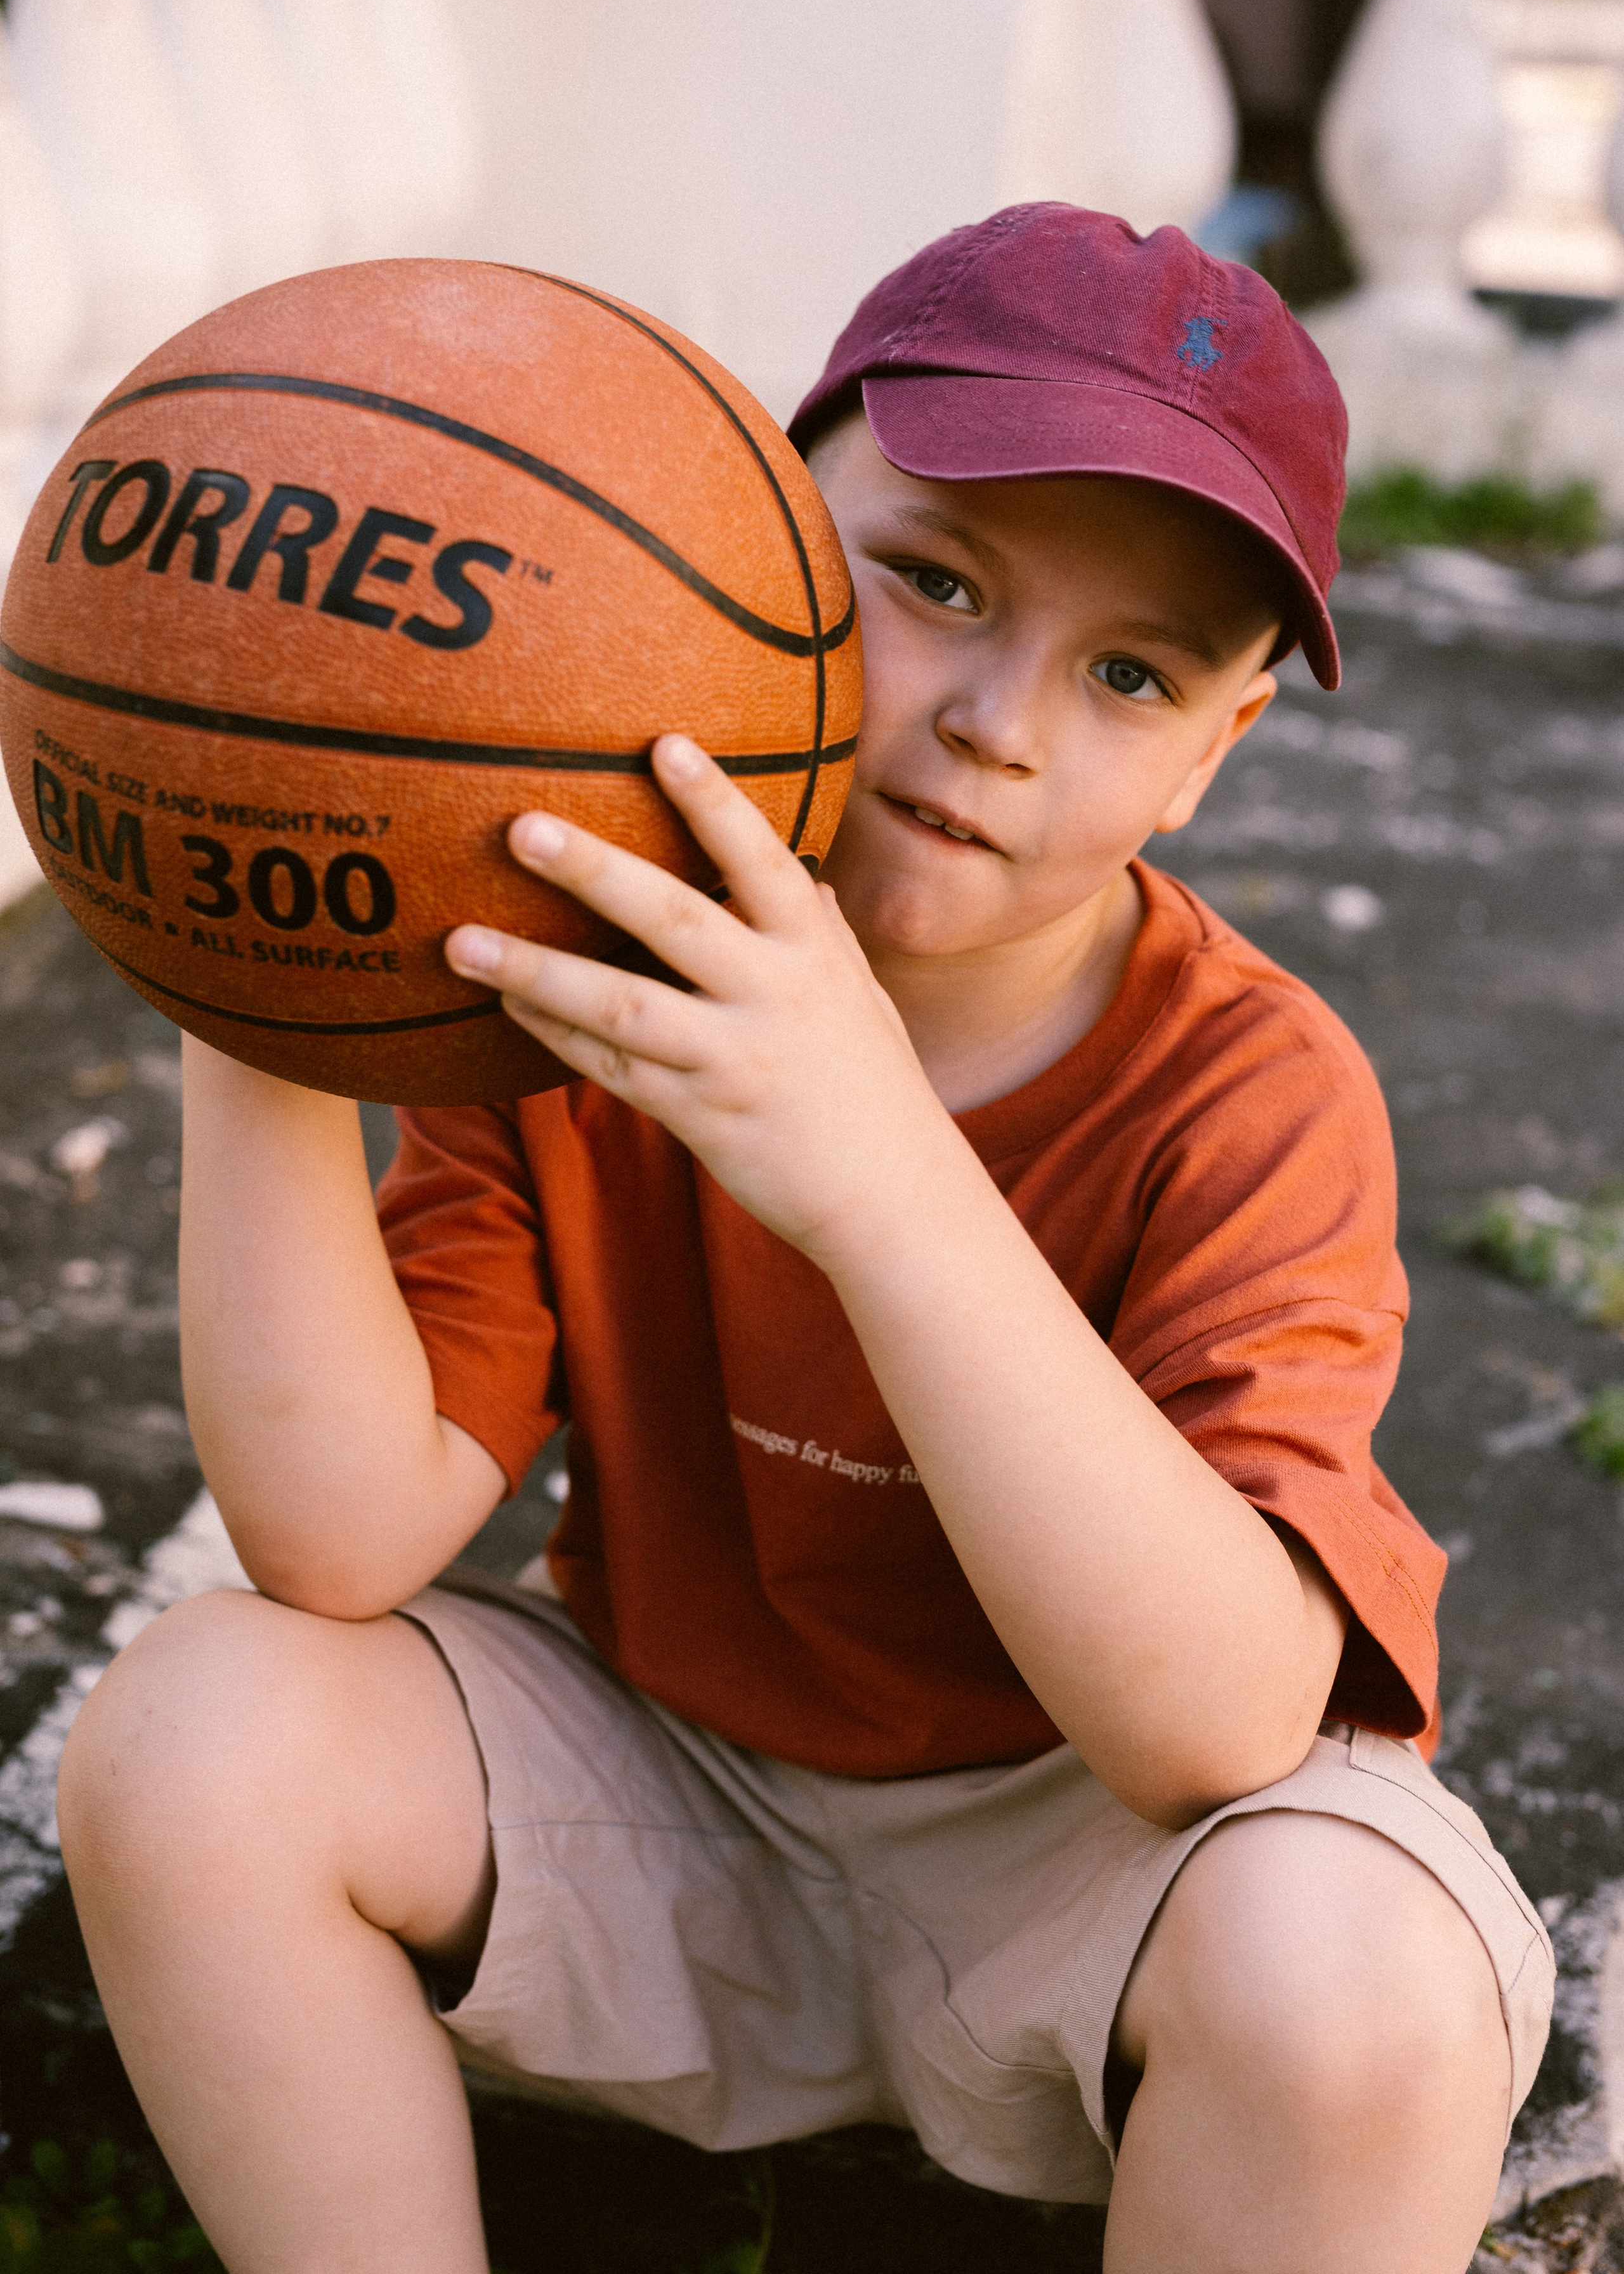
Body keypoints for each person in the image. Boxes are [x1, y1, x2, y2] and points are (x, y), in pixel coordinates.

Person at [58, 205, 1552, 2274]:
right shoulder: (580, 972)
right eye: (937, 582)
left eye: (1130, 675)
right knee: (195, 1732)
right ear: (762, 557)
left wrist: (878, 1175)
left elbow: (1213, 1733)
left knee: (1370, 1981)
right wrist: (245, 971)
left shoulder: (1252, 1092)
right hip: (674, 1807)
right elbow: (333, 1534)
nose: (1003, 717)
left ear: (1213, 759)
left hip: (1088, 1869)